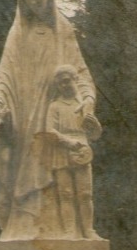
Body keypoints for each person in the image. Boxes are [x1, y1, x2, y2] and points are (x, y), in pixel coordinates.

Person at [0, 0, 100, 240]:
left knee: (62, 179)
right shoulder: (19, 32)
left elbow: (79, 71)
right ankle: (23, 227)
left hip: (56, 112)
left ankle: (66, 231)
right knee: (25, 165)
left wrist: (87, 101)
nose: (34, 1)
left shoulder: (63, 30)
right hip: (24, 112)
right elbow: (5, 74)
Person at [44, 65, 102, 239]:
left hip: (82, 150)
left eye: (67, 81)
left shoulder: (83, 104)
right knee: (66, 193)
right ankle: (69, 231)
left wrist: (95, 126)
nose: (64, 86)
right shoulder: (54, 106)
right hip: (62, 150)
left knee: (85, 193)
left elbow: (94, 133)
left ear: (74, 80)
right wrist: (68, 142)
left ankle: (89, 230)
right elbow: (49, 130)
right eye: (60, 83)